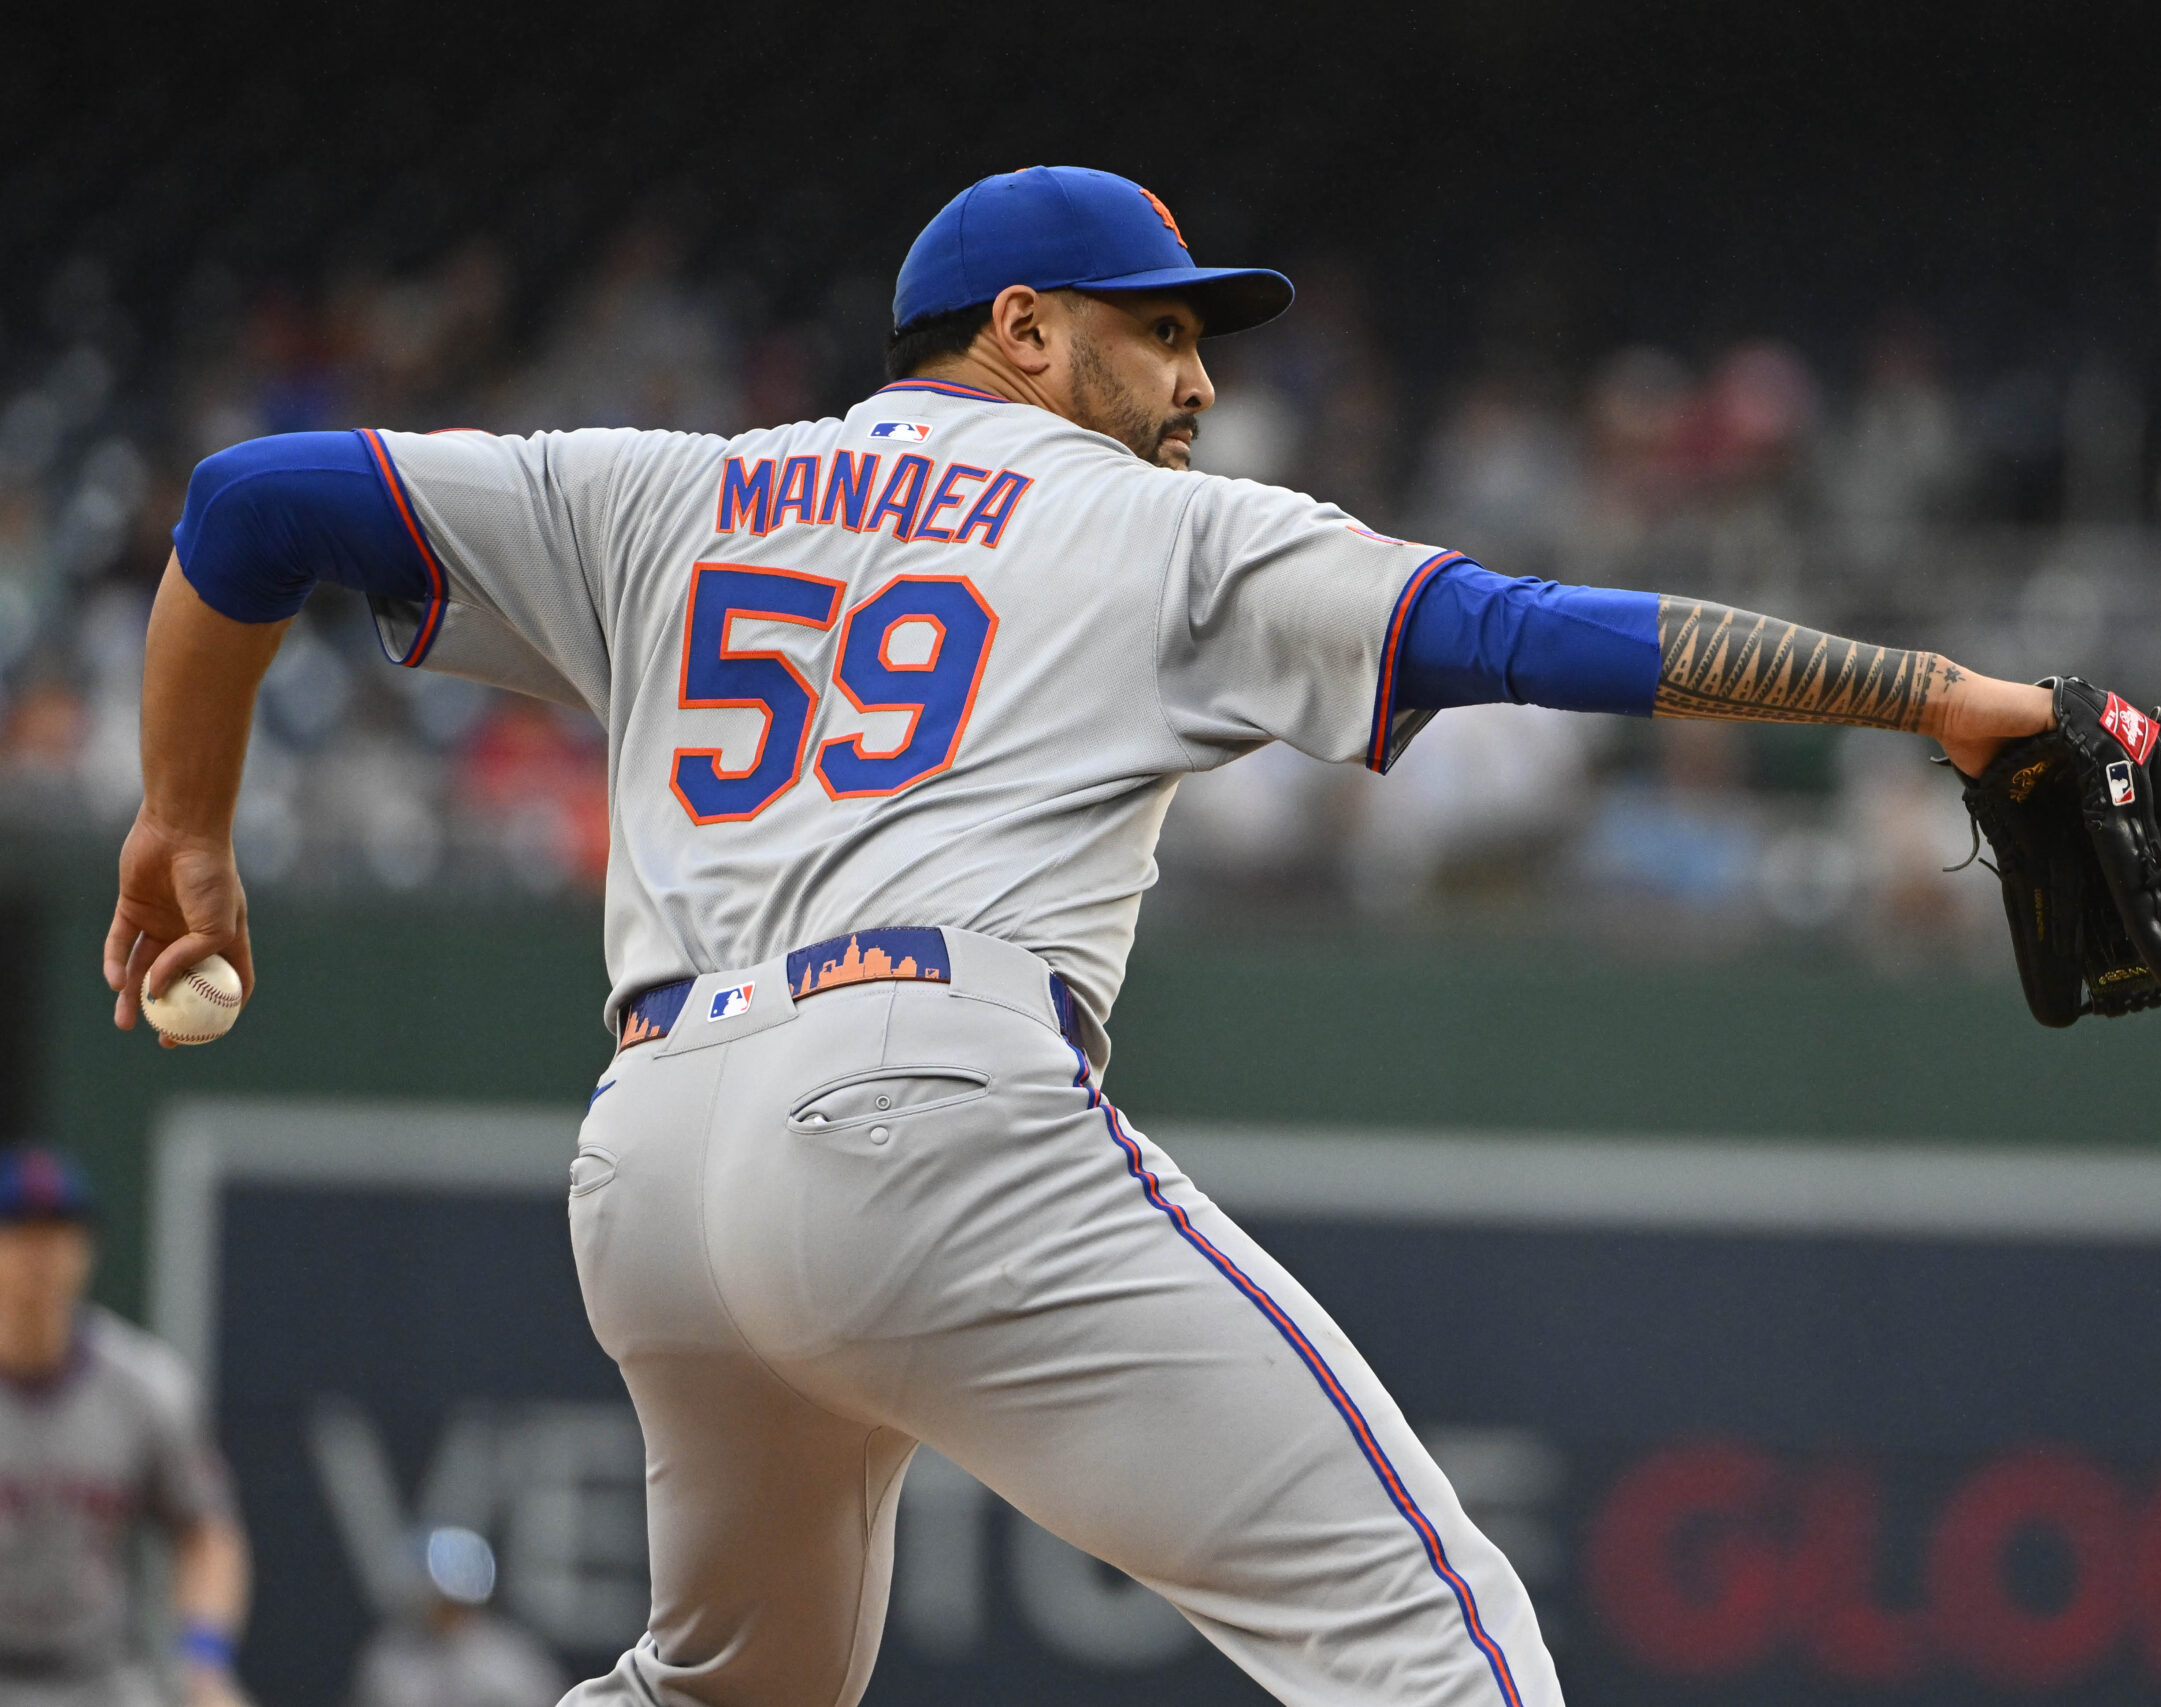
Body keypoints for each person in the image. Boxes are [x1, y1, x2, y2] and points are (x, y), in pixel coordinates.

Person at [102, 166, 2060, 1704]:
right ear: (1024, 330)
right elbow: (1524, 634)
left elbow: (252, 504)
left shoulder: (671, 494)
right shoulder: (1162, 526)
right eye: (1159, 332)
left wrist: (183, 819)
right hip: (918, 1097)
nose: (1198, 378)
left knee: (724, 1689)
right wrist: (1932, 696)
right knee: (1428, 1629)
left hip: (653, 1152)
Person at [0, 1149, 249, 1707]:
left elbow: (206, 1532)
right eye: (18, 1232)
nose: (39, 1256)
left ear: (85, 1250)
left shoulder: (144, 1387)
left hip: (99, 1677)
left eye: (59, 1234)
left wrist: (205, 1663)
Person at [345, 1527, 564, 1707]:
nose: (446, 1611)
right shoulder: (389, 1659)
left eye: (452, 1602)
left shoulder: (509, 1657)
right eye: (437, 1600)